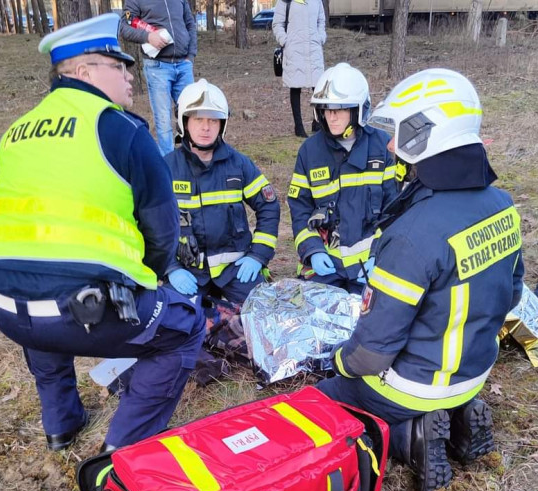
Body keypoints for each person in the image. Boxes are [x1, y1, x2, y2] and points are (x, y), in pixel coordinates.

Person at [0, 14, 205, 453]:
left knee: (38, 299)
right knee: (186, 326)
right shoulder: (122, 130)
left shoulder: (14, 134)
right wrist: (150, 281)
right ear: (83, 72)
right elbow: (162, 230)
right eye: (118, 65)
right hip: (85, 310)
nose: (130, 74)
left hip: (2, 304)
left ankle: (61, 423)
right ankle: (125, 446)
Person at [318, 68, 525, 491]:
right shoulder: (503, 205)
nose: (391, 145)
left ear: (426, 132)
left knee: (326, 398)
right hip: (475, 370)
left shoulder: (413, 234)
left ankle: (408, 438)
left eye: (400, 132)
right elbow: (513, 293)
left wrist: (338, 361)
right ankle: (461, 413)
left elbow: (372, 354)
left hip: (414, 387)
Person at [163, 79, 280, 306]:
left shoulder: (239, 165)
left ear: (222, 125)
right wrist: (171, 268)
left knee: (266, 312)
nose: (205, 128)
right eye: (198, 120)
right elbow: (149, 224)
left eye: (212, 120)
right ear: (184, 123)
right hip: (188, 272)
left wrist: (258, 255)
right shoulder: (167, 168)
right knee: (175, 324)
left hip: (235, 268)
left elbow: (269, 206)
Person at [288, 63, 398, 295]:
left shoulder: (381, 147)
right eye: (327, 109)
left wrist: (381, 255)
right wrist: (313, 251)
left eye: (340, 109)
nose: (332, 117)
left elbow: (395, 211)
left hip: (370, 264)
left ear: (357, 111)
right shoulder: (309, 152)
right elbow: (300, 210)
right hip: (325, 266)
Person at [119, 0, 197, 155]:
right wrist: (148, 37)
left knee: (192, 115)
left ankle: (192, 162)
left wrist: (190, 56)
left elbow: (190, 23)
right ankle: (168, 169)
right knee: (164, 123)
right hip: (157, 67)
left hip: (184, 65)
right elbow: (124, 27)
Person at [272, 0, 325, 138]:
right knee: (295, 87)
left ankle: (317, 122)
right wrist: (285, 41)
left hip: (314, 48)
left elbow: (321, 21)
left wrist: (321, 38)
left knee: (318, 87)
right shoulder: (285, 1)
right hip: (294, 49)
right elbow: (277, 24)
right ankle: (299, 126)